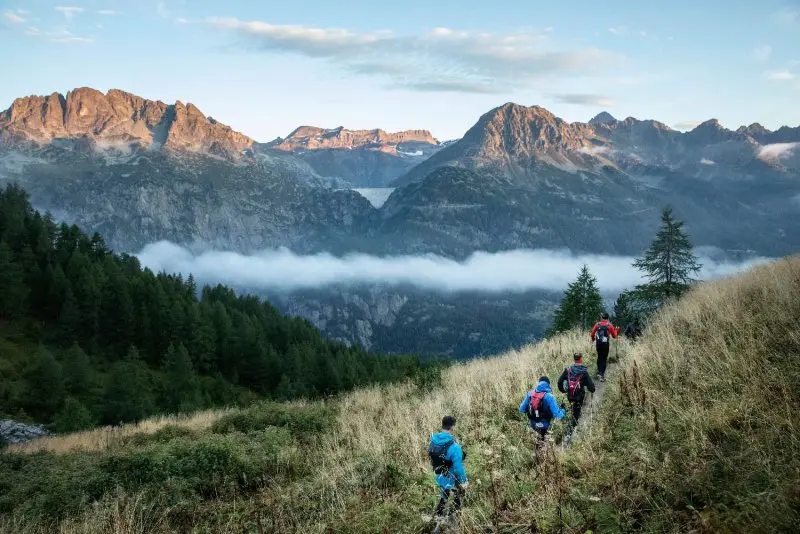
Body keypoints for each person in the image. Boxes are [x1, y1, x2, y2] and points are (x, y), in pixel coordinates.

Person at [428, 415, 468, 520]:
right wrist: (464, 481)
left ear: (443, 425)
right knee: (459, 493)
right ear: (452, 427)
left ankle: (438, 516)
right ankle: (453, 517)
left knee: (444, 495)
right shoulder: (454, 446)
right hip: (451, 475)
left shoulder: (433, 440)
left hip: (439, 474)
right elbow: (458, 468)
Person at [519, 376, 566, 447]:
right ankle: (542, 451)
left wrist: (529, 409)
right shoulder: (550, 397)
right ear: (548, 385)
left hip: (533, 424)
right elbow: (557, 415)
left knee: (538, 438)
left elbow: (521, 409)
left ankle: (538, 449)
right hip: (544, 424)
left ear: (539, 383)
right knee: (542, 438)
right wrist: (563, 411)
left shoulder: (530, 394)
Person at [557, 352, 595, 430]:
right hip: (579, 396)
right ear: (581, 359)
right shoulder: (584, 372)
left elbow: (559, 381)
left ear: (574, 359)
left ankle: (573, 421)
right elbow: (591, 386)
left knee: (573, 408)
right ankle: (572, 428)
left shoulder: (568, 370)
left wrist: (563, 390)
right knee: (577, 411)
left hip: (570, 395)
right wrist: (592, 390)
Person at [591, 312, 618, 381]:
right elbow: (614, 336)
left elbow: (592, 334)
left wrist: (594, 339)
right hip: (605, 344)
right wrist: (616, 330)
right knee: (604, 358)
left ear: (601, 318)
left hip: (598, 343)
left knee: (599, 356)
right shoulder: (610, 325)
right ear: (608, 318)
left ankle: (599, 371)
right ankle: (601, 375)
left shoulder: (597, 324)